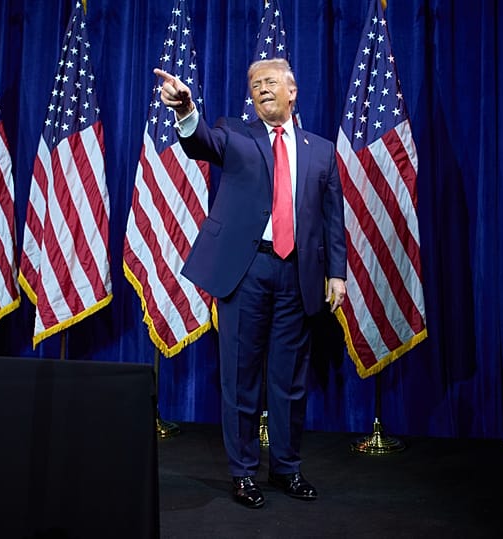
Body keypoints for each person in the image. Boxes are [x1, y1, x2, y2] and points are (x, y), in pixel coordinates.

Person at [154, 58, 347, 509]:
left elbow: (332, 219)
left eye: (270, 82)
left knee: (290, 382)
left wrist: (336, 273)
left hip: (298, 274)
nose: (261, 89)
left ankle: (286, 468)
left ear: (292, 91)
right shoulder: (235, 134)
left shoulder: (320, 150)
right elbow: (201, 142)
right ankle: (243, 473)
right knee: (240, 378)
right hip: (247, 272)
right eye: (255, 84)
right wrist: (185, 110)